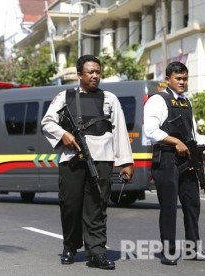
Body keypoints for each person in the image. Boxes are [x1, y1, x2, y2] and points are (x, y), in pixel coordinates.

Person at [41, 55, 134, 270]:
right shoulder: (65, 97)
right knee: (70, 205)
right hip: (72, 159)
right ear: (79, 74)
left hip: (101, 160)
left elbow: (120, 131)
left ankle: (97, 252)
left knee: (97, 206)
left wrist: (126, 162)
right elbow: (47, 122)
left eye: (98, 72)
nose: (95, 76)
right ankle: (70, 246)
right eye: (90, 72)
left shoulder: (110, 98)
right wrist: (64, 134)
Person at [143, 61, 205, 265]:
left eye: (185, 78)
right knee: (169, 207)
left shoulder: (186, 102)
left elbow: (192, 132)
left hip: (187, 159)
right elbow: (151, 131)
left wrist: (197, 150)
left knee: (192, 205)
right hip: (166, 158)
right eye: (178, 78)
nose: (182, 82)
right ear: (168, 79)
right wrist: (176, 142)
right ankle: (169, 252)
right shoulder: (158, 100)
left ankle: (192, 249)